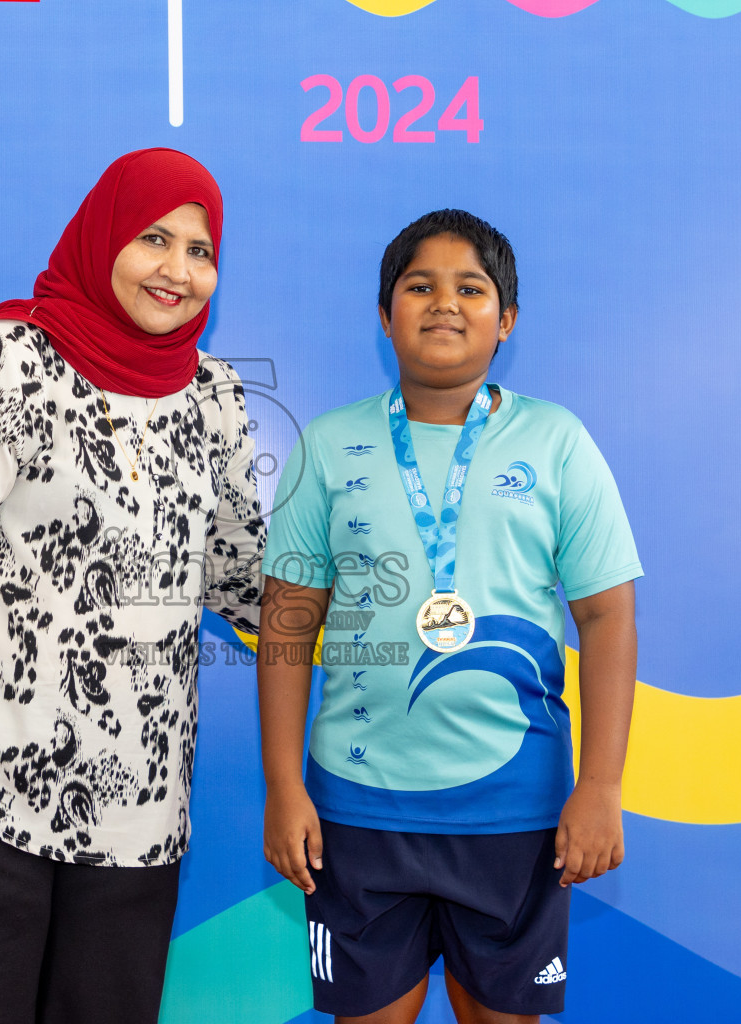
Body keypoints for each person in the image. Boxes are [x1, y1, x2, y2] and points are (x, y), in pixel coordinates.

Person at [0, 148, 264, 1024]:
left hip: (141, 803)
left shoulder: (214, 398)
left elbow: (240, 573)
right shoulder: (8, 361)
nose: (179, 270)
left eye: (201, 251)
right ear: (103, 237)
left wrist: (370, 621)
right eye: (154, 238)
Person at [258, 209, 641, 1024]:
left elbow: (606, 618)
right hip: (356, 814)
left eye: (472, 288)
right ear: (384, 313)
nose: (444, 303)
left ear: (505, 321)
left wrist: (601, 785)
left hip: (515, 813)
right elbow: (288, 624)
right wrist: (284, 786)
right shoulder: (327, 446)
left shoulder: (557, 442)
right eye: (419, 285)